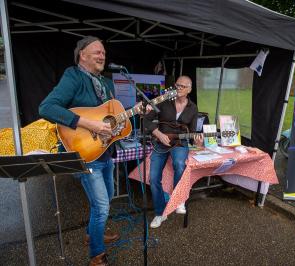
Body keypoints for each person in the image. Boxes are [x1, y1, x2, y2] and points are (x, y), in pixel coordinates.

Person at [39, 36, 145, 266]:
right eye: (97, 51)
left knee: (105, 201)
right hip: (85, 154)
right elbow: (46, 107)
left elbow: (111, 118)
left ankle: (92, 234)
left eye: (104, 52)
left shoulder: (105, 83)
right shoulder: (73, 76)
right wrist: (90, 124)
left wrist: (134, 112)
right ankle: (97, 255)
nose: (102, 55)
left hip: (105, 152)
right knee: (102, 206)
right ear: (82, 55)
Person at [144, 75, 203, 228]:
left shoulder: (193, 108)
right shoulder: (164, 101)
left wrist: (196, 139)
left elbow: (192, 132)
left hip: (179, 142)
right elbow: (146, 120)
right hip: (161, 142)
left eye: (183, 86)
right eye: (177, 85)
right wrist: (159, 135)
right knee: (153, 177)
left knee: (179, 164)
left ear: (189, 89)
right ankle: (160, 213)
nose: (179, 88)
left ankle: (178, 200)